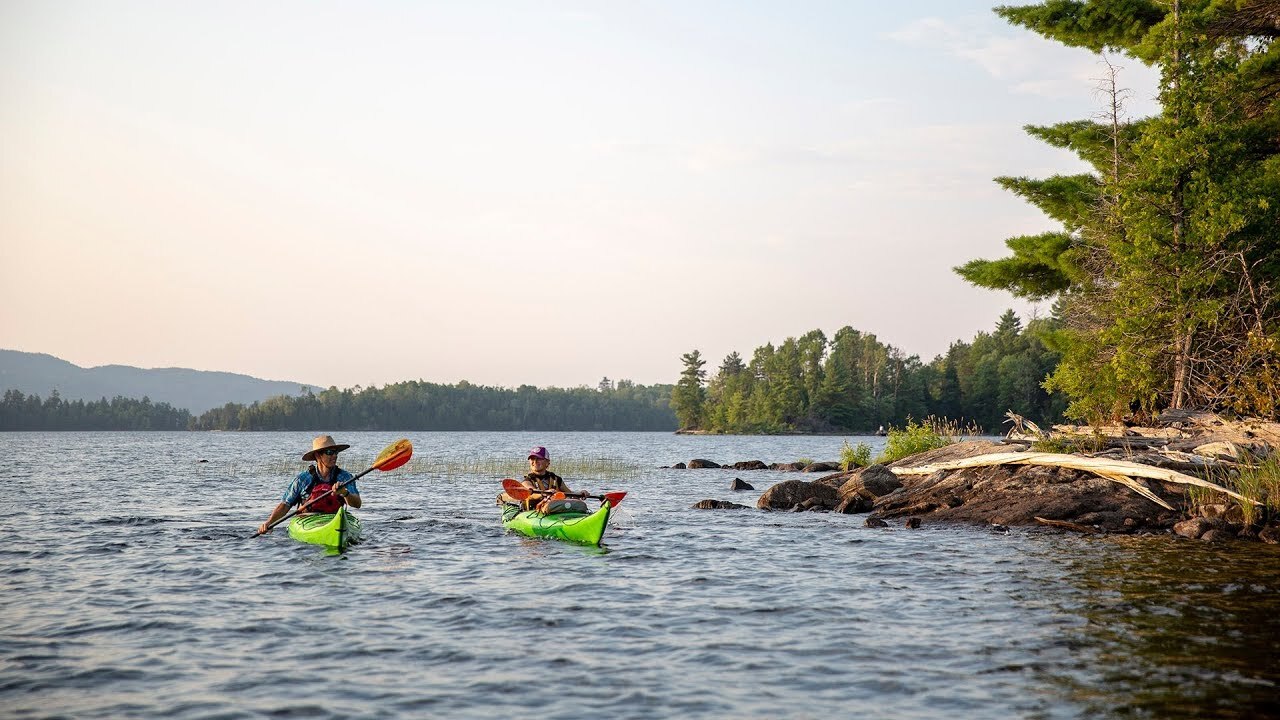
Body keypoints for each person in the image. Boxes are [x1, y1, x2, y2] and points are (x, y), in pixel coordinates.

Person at [257, 435, 362, 535]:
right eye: (329, 452)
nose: (334, 456)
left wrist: (345, 493)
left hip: (335, 519)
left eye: (336, 452)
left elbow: (357, 504)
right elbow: (285, 505)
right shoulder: (302, 479)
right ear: (317, 455)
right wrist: (269, 523)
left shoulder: (345, 477)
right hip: (308, 521)